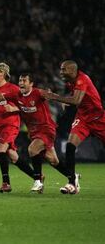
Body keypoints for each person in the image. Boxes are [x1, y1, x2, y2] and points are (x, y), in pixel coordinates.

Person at [41, 60, 103, 194]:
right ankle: (71, 183)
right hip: (83, 118)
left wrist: (55, 97)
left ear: (72, 70)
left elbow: (76, 100)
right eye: (61, 69)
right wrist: (65, 99)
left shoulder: (82, 79)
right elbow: (75, 97)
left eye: (64, 69)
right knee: (70, 146)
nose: (61, 72)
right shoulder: (71, 81)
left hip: (98, 118)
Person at [1, 73, 70, 193]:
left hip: (46, 129)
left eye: (24, 80)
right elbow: (0, 97)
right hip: (34, 132)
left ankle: (37, 180)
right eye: (20, 80)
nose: (21, 83)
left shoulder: (38, 93)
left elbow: (50, 95)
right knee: (53, 160)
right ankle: (73, 177)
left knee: (32, 149)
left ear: (31, 83)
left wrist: (63, 101)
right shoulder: (17, 95)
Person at [0, 62, 34, 193]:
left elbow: (25, 106)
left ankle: (6, 183)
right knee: (12, 156)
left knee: (0, 150)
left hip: (10, 125)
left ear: (2, 73)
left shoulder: (13, 89)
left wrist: (13, 108)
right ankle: (37, 177)